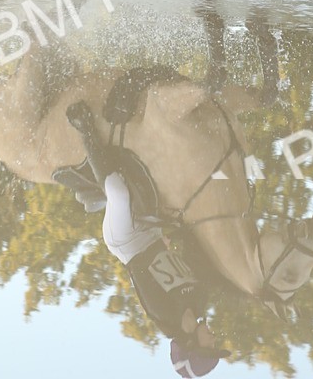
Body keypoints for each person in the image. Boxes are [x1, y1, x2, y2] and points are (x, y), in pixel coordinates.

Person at [66, 101, 229, 376]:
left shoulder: (164, 317)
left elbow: (140, 270)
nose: (214, 339)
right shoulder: (201, 300)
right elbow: (189, 258)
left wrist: (161, 243)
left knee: (118, 190)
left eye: (209, 346)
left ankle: (84, 127)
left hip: (128, 241)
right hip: (153, 234)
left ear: (191, 344)